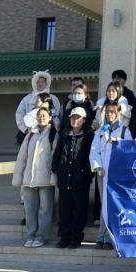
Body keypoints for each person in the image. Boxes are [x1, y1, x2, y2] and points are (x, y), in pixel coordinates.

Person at [12, 107, 57, 248]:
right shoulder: (31, 134)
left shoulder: (54, 134)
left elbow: (55, 158)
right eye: (39, 115)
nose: (41, 118)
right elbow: (22, 157)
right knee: (30, 209)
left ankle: (42, 236)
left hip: (45, 179)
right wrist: (18, 176)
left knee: (45, 210)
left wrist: (53, 176)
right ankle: (30, 235)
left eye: (44, 115)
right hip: (29, 179)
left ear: (50, 118)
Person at [89, 102, 132, 250]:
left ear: (118, 114)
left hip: (117, 174)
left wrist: (117, 141)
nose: (109, 115)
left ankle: (109, 238)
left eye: (112, 112)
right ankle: (101, 237)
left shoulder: (124, 130)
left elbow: (129, 149)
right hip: (103, 173)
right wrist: (98, 166)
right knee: (104, 205)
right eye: (107, 112)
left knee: (113, 204)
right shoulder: (101, 130)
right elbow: (94, 150)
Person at [51, 107, 93, 249]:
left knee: (80, 210)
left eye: (78, 118)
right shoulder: (64, 136)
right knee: (64, 210)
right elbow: (57, 155)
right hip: (64, 179)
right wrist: (56, 168)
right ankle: (64, 237)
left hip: (81, 180)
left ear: (84, 120)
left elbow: (91, 157)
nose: (75, 120)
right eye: (72, 117)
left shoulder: (88, 137)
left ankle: (76, 238)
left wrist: (87, 172)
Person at [15, 71, 61, 145]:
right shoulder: (27, 99)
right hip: (30, 132)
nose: (40, 84)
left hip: (48, 132)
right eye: (38, 82)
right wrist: (25, 130)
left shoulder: (53, 98)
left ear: (46, 83)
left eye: (42, 82)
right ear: (34, 83)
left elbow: (57, 114)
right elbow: (19, 115)